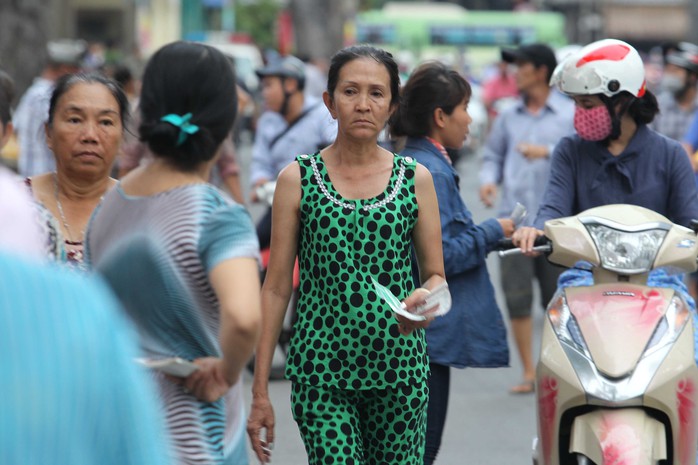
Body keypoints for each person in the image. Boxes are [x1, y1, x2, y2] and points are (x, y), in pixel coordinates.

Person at [246, 45, 446, 465]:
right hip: (321, 371)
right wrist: (260, 389)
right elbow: (277, 287)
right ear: (329, 102)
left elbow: (436, 277)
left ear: (392, 105)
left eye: (376, 93)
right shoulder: (297, 179)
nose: (363, 104)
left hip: (399, 371)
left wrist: (424, 302)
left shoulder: (416, 179)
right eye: (350, 91)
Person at [86, 41, 262, 465]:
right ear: (226, 118)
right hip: (197, 437)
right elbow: (244, 317)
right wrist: (227, 372)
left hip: (121, 428)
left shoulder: (109, 203)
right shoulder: (215, 214)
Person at [513, 39, 698, 319]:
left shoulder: (671, 155)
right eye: (576, 104)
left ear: (622, 101)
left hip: (658, 284)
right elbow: (553, 207)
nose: (579, 114)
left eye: (587, 104)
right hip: (585, 279)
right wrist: (536, 230)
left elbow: (689, 223)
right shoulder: (569, 150)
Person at [390, 61, 513, 465]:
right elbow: (438, 260)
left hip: (417, 335)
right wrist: (494, 230)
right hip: (428, 336)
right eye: (464, 108)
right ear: (440, 117)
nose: (470, 118)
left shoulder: (415, 161)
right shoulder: (433, 172)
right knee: (419, 451)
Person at [478, 43, 574, 394]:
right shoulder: (507, 115)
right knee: (517, 300)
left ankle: (559, 371)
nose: (514, 72)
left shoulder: (569, 114)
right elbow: (492, 155)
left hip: (556, 228)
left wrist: (546, 152)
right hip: (514, 225)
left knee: (561, 303)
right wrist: (488, 180)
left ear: (540, 70)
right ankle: (529, 373)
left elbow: (579, 155)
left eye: (521, 65)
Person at [24, 72, 127, 269]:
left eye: (105, 122)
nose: (90, 135)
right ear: (49, 133)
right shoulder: (17, 203)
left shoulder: (136, 209)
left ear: (122, 137)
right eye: (75, 120)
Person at [249, 54, 337, 248]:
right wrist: (260, 181)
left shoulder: (323, 116)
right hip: (279, 203)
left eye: (269, 86)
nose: (264, 93)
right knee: (252, 248)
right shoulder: (267, 121)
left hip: (321, 206)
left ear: (290, 84)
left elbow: (337, 155)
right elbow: (260, 162)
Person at [14, 39, 87, 177]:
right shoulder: (47, 96)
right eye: (76, 69)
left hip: (29, 179)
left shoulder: (32, 93)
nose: (80, 74)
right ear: (65, 69)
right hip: (44, 183)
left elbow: (16, 129)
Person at [650, 42, 698, 149]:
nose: (669, 76)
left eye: (675, 71)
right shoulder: (657, 106)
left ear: (692, 76)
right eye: (667, 70)